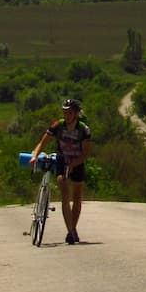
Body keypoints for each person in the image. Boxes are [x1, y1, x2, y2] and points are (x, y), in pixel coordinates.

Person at [28, 97, 92, 244]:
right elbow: (43, 142)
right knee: (65, 193)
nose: (66, 115)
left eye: (69, 113)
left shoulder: (84, 129)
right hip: (62, 160)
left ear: (76, 114)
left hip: (77, 161)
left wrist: (75, 164)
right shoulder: (58, 125)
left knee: (77, 197)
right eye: (64, 112)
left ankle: (73, 228)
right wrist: (35, 156)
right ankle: (70, 231)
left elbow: (85, 154)